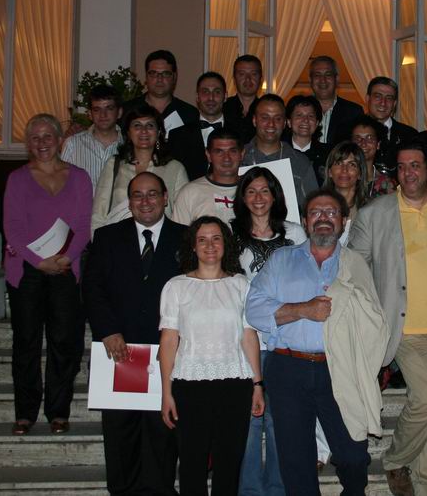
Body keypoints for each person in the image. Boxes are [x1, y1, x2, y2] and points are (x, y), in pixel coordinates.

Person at [245, 189, 388, 495]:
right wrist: (303, 310)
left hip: (339, 369)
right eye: (315, 212)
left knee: (353, 453)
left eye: (331, 212)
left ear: (344, 220)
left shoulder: (355, 264)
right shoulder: (281, 260)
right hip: (288, 366)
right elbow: (254, 310)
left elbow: (374, 320)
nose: (323, 218)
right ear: (305, 221)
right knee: (296, 460)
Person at [347, 140, 427, 496]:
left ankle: (424, 485)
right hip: (404, 328)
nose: (408, 172)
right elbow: (354, 269)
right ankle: (396, 459)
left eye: (415, 165)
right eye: (401, 166)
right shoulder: (375, 213)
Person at [83, 172, 187, 495]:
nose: (145, 201)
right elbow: (92, 288)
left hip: (166, 353)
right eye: (138, 195)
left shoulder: (186, 238)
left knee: (162, 430)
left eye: (152, 194)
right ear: (128, 202)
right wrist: (107, 330)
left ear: (166, 198)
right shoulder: (107, 237)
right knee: (121, 431)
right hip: (120, 352)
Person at [158, 216, 265, 496]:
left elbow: (248, 336)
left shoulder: (241, 285)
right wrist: (166, 392)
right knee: (191, 463)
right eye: (202, 239)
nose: (209, 245)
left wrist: (257, 384)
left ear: (225, 244)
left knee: (229, 464)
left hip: (235, 385)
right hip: (189, 385)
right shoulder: (176, 286)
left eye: (216, 238)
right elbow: (168, 341)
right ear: (193, 246)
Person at [3, 114, 91, 436]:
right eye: (35, 137)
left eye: (48, 136)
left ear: (60, 140)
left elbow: (84, 225)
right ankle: (25, 413)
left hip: (66, 268)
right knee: (26, 342)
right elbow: (13, 228)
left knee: (65, 342)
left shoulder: (79, 177)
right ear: (29, 143)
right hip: (28, 270)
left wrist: (65, 258)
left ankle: (58, 411)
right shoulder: (17, 179)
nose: (42, 143)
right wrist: (40, 262)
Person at [231, 167, 307, 496]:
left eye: (265, 190)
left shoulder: (295, 234)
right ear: (242, 197)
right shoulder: (230, 235)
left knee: (281, 421)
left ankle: (278, 488)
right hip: (243, 340)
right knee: (249, 421)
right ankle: (249, 490)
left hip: (285, 341)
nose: (258, 197)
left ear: (275, 195)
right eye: (251, 191)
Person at [91, 103, 189, 234]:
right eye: (137, 125)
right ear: (128, 133)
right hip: (118, 240)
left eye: (150, 125)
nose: (144, 131)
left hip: (161, 240)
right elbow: (98, 213)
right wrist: (99, 242)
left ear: (159, 132)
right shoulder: (114, 164)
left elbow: (183, 215)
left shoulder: (175, 168)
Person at [240, 94, 317, 213]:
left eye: (277, 119)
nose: (271, 124)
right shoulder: (238, 157)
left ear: (285, 123)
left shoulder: (300, 162)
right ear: (255, 120)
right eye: (265, 118)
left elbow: (313, 207)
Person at [172, 127, 243, 225]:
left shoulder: (253, 189)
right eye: (219, 152)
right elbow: (179, 232)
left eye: (232, 151)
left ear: (242, 154)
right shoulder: (190, 193)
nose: (226, 158)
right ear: (208, 155)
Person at [61, 83, 123, 192]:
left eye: (109, 108)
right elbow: (61, 185)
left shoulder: (130, 145)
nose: (103, 115)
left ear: (119, 112)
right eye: (97, 110)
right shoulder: (72, 144)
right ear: (89, 114)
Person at [121, 49, 199, 134]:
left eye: (165, 74)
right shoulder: (128, 110)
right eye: (153, 73)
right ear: (146, 77)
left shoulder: (189, 113)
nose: (159, 79)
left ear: (174, 77)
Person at [167, 71, 228, 180]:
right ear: (197, 97)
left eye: (217, 92)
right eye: (205, 92)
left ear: (225, 96)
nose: (211, 97)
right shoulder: (177, 136)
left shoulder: (240, 133)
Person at [366, 76, 418, 172]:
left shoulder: (410, 135)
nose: (383, 103)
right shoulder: (351, 131)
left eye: (389, 98)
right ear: (368, 99)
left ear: (394, 104)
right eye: (378, 96)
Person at [309, 55, 363, 145]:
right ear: (310, 80)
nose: (323, 80)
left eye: (328, 75)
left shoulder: (353, 112)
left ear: (337, 79)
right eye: (317, 75)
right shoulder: (299, 111)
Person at [322, 141, 370, 244]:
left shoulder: (370, 212)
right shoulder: (317, 209)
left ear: (360, 174)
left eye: (352, 165)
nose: (344, 170)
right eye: (339, 163)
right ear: (330, 172)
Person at [283, 94, 329, 185]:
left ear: (317, 123)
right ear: (289, 122)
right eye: (299, 115)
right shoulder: (280, 152)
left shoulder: (328, 154)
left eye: (310, 116)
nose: (305, 120)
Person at [350, 115, 397, 199]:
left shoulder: (387, 184)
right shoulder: (342, 178)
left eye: (369, 138)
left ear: (378, 144)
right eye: (357, 139)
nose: (363, 143)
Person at [223, 54, 262, 145]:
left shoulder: (267, 111)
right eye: (242, 74)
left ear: (260, 78)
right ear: (234, 78)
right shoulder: (222, 108)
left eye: (253, 74)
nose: (248, 79)